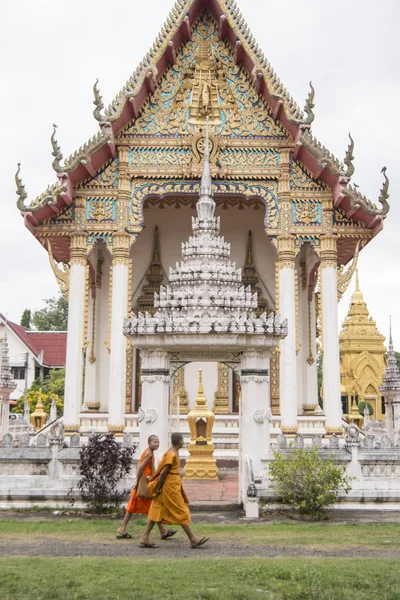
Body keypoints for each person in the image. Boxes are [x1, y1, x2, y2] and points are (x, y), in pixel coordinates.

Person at [138, 432, 210, 549]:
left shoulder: (170, 451)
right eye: (183, 440)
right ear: (180, 442)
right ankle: (192, 539)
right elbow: (163, 473)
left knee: (156, 509)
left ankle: (144, 537)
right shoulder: (171, 454)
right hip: (169, 486)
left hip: (171, 484)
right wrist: (159, 487)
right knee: (180, 509)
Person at [117, 434, 177, 540]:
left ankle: (122, 528)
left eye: (158, 442)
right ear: (149, 443)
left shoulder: (149, 453)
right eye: (154, 442)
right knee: (152, 507)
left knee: (135, 507)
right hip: (144, 484)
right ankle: (162, 531)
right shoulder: (149, 454)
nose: (157, 444)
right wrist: (137, 482)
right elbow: (140, 469)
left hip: (144, 483)